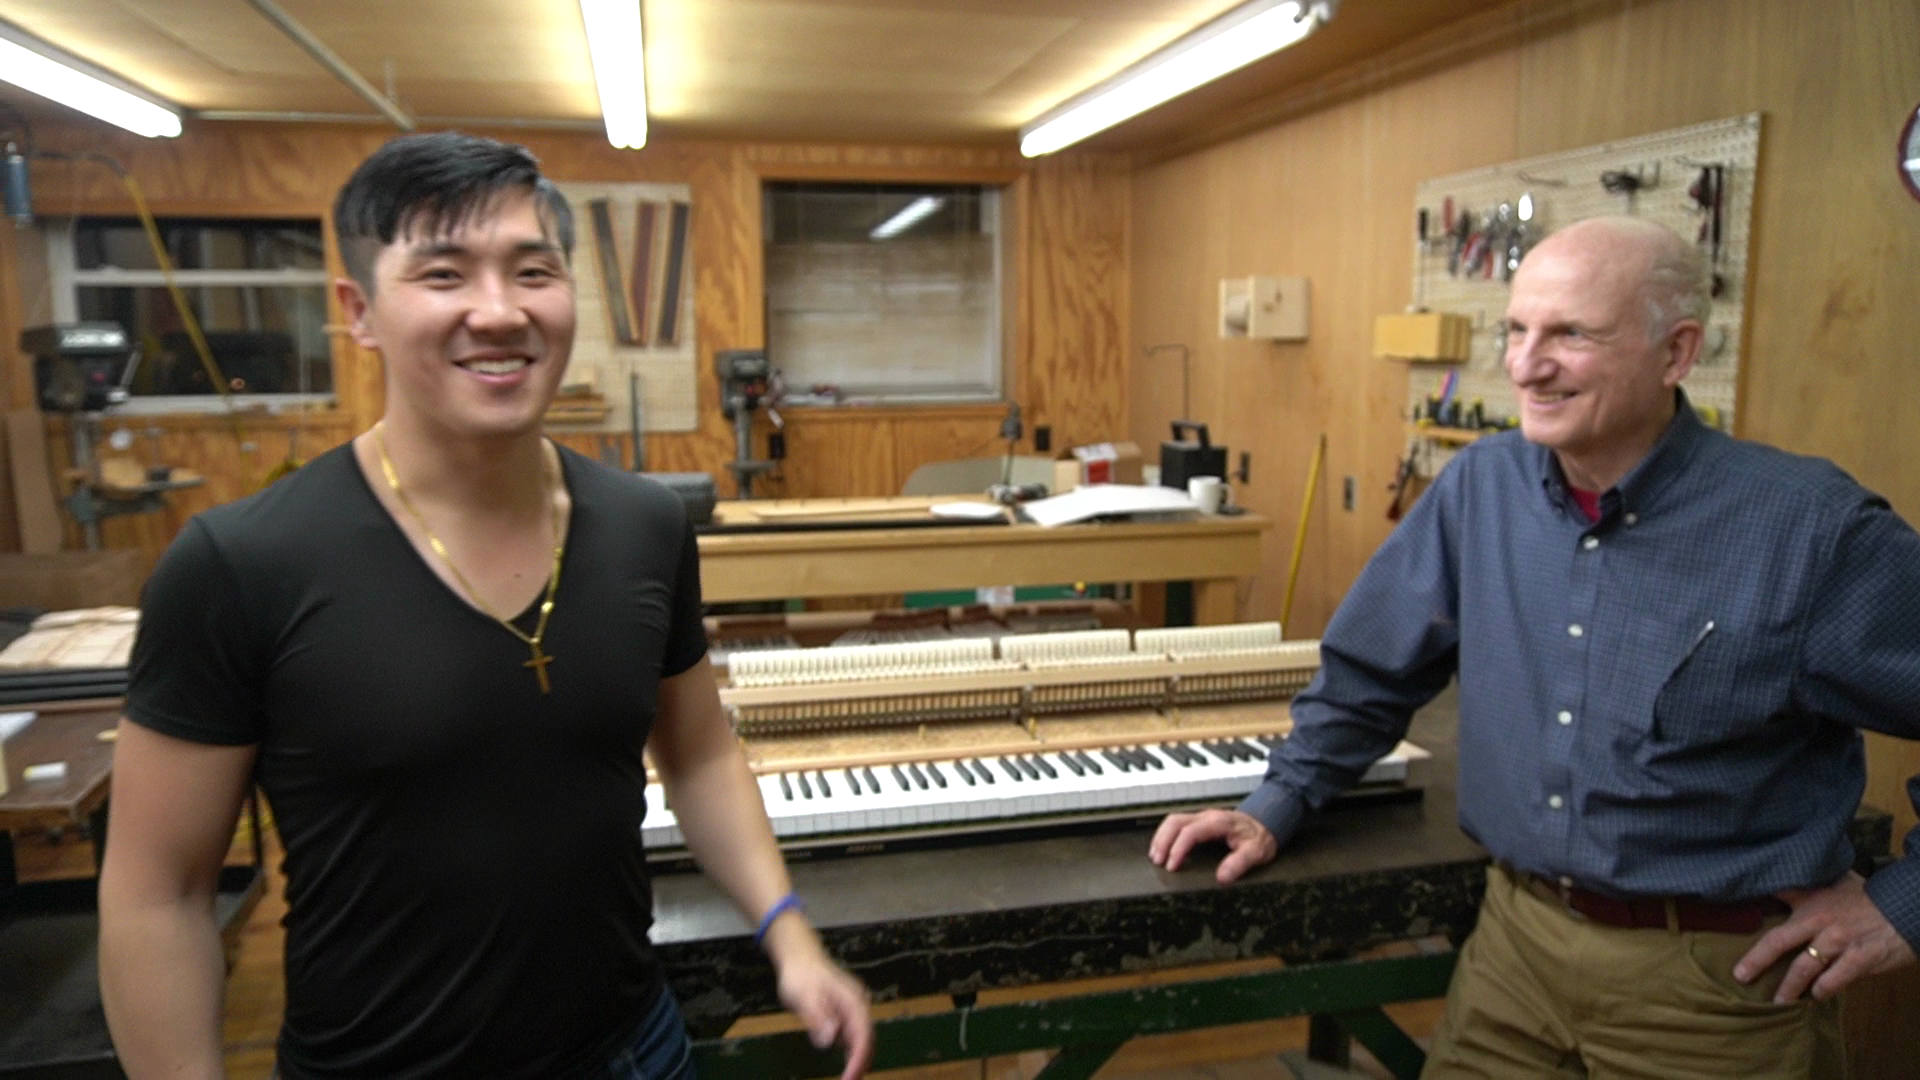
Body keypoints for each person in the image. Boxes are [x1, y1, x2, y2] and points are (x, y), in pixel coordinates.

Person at [98, 132, 873, 1080]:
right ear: (359, 312)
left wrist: (789, 933)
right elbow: (159, 897)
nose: (500, 312)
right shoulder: (240, 563)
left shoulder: (644, 525)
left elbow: (700, 755)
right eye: (444, 274)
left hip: (635, 1052)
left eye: (533, 271)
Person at [1149, 215, 1920, 1077]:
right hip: (1514, 950)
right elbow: (1370, 671)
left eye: (1571, 335)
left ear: (1676, 352)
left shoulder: (1807, 530)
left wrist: (1905, 907)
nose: (1524, 366)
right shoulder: (1482, 487)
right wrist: (1277, 801)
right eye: (1516, 330)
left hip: (1717, 989)